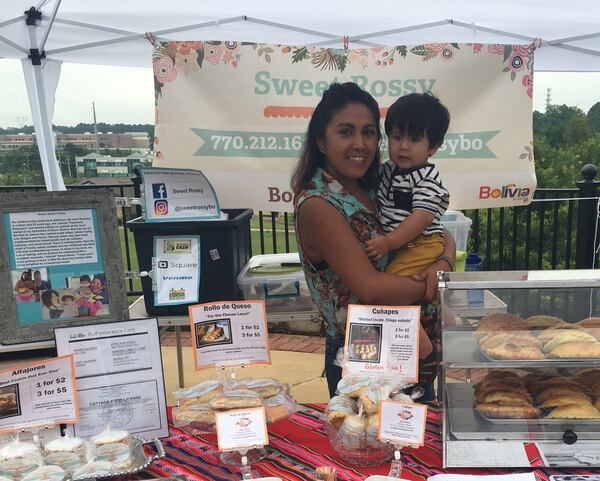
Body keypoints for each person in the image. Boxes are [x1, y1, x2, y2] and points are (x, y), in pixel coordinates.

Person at [291, 82, 455, 399]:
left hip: (407, 338)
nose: (360, 143)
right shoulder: (318, 204)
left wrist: (443, 262)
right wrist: (433, 286)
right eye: (345, 132)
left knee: (412, 435)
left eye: (368, 132)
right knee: (367, 438)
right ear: (321, 141)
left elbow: (437, 230)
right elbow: (370, 288)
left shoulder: (374, 184)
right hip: (364, 345)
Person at [365, 92, 451, 276]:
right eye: (397, 137)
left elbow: (421, 218)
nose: (403, 146)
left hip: (421, 244)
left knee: (391, 280)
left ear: (433, 146)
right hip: (402, 244)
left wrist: (388, 242)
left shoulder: (427, 179)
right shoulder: (388, 169)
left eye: (414, 139)